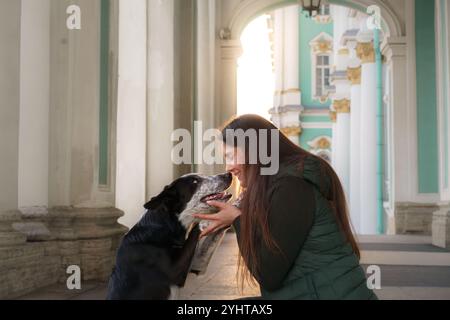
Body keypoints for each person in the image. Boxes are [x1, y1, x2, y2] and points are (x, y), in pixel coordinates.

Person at [193, 114, 377, 300]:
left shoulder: (293, 187)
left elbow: (269, 275)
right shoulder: (284, 182)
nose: (228, 167)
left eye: (231, 156)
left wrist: (237, 220)